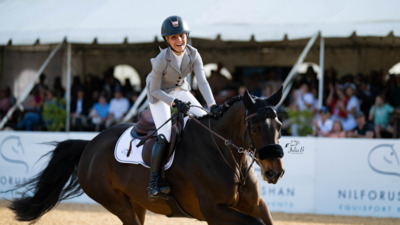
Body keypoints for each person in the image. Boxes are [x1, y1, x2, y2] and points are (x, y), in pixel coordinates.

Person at [145, 15, 222, 201]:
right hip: (159, 94)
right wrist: (172, 103)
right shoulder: (161, 59)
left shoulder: (193, 53)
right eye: (173, 37)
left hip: (180, 90)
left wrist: (212, 105)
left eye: (181, 35)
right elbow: (154, 89)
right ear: (167, 40)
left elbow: (202, 82)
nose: (179, 40)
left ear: (186, 35)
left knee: (205, 120)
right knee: (165, 134)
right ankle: (154, 183)